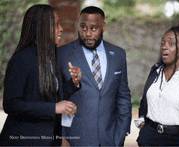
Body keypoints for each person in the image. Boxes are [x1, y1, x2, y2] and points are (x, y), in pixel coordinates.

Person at [0, 4, 82, 146]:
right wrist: (54, 108)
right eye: (56, 24)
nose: (61, 28)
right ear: (42, 28)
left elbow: (50, 97)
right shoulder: (22, 59)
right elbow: (11, 104)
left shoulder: (49, 58)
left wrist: (73, 84)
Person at [57, 6, 132, 146]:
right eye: (83, 27)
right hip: (75, 140)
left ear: (103, 27)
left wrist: (121, 133)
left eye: (93, 28)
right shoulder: (62, 54)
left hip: (110, 140)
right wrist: (62, 137)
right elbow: (57, 97)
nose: (88, 33)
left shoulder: (119, 55)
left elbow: (123, 97)